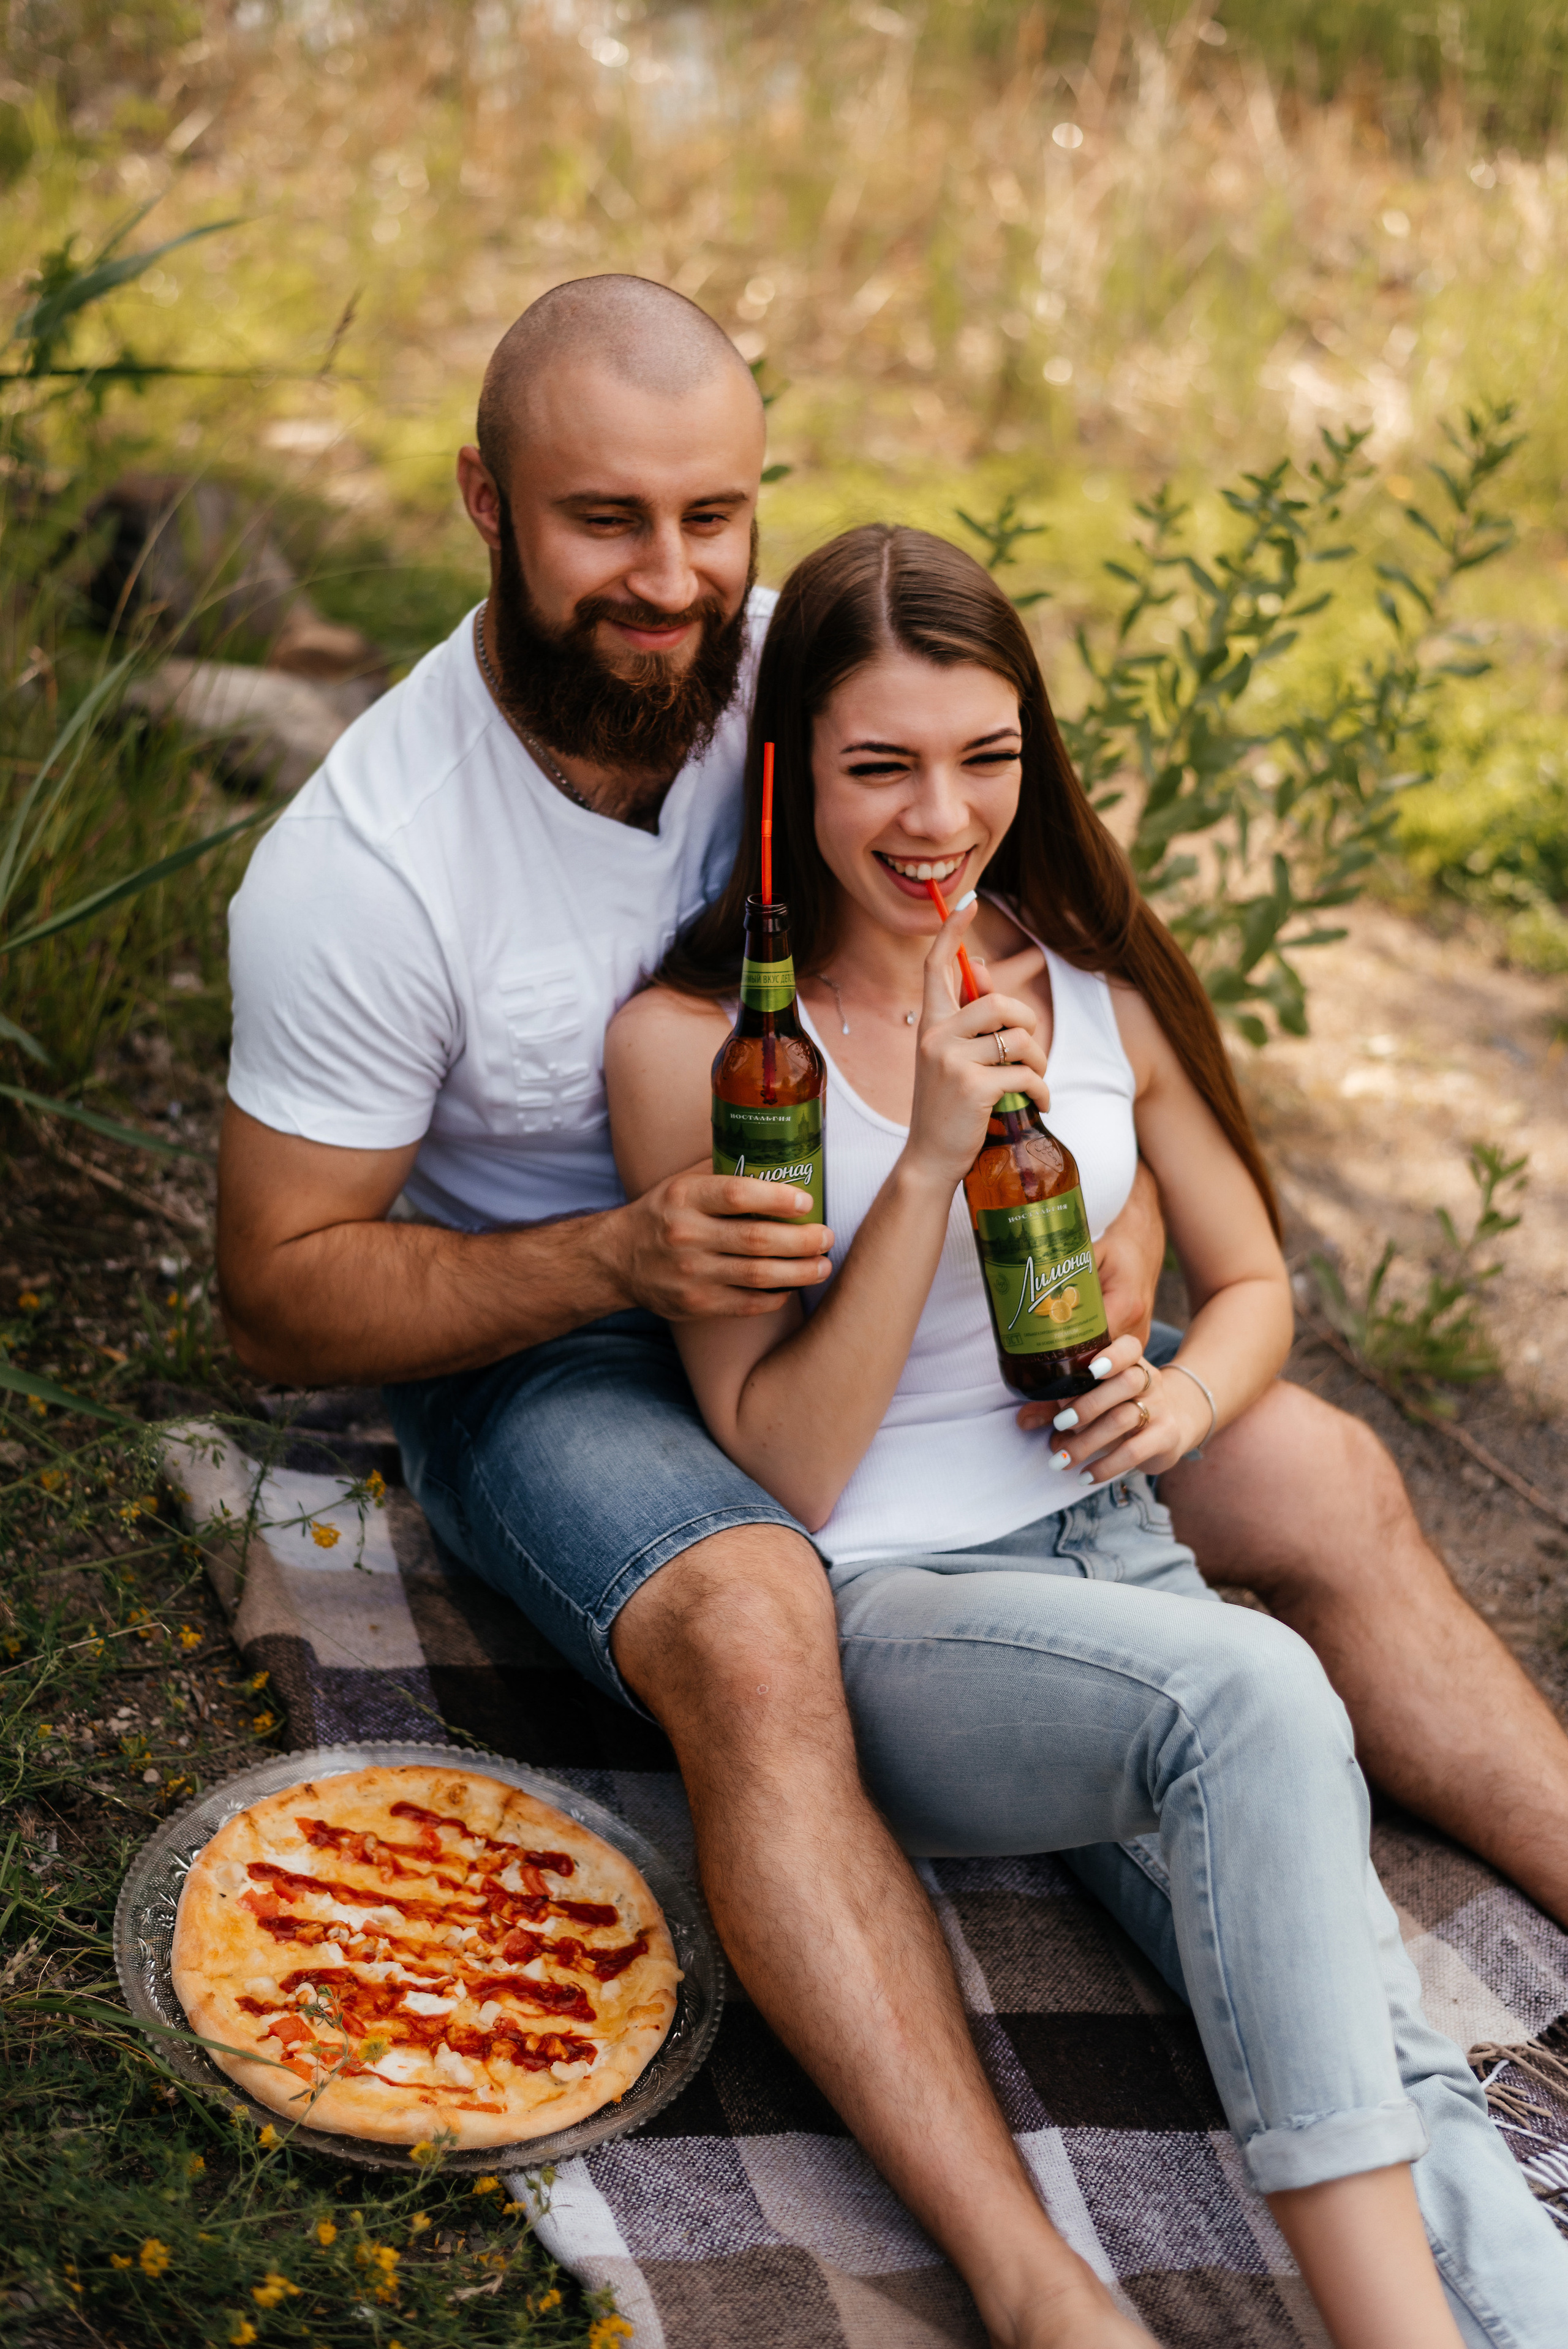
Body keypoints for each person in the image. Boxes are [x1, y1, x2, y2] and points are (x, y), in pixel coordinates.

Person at [213, 276, 1568, 2340]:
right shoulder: (370, 864)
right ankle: (1033, 2279)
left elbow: (997, 847)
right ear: (485, 502)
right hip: (550, 1333)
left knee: (1321, 1473)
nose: (669, 579)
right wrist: (624, 1254)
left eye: (713, 515)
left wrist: (1106, 1229)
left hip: (937, 1361)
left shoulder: (809, 683)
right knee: (770, 1609)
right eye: (605, 522)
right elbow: (280, 1296)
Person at [605, 521, 1568, 2348]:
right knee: (1265, 1691)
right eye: (880, 765)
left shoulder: (1092, 990)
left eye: (985, 759)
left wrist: (1187, 1393)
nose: (936, 818)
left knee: (1378, 2026)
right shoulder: (715, 1050)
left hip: (1118, 1564)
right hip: (899, 1611)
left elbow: (1255, 1276)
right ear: (793, 765)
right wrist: (922, 1164)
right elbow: (783, 1459)